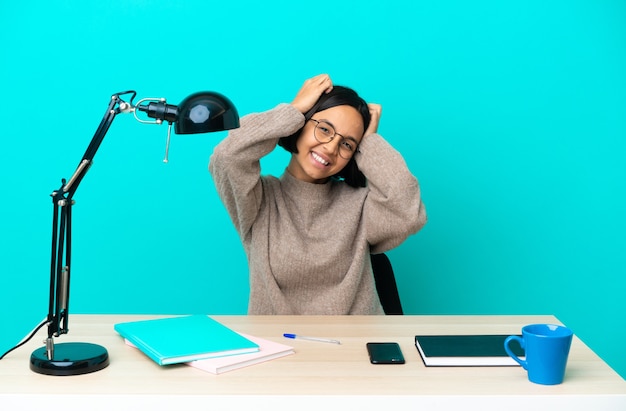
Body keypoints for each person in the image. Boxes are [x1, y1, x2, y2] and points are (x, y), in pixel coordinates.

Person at [209, 74, 426, 315]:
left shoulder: (361, 205)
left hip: (355, 345)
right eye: (324, 129)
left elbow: (407, 212)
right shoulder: (259, 202)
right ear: (300, 125)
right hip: (280, 346)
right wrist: (293, 111)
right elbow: (226, 157)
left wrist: (371, 142)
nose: (331, 148)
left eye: (348, 144)